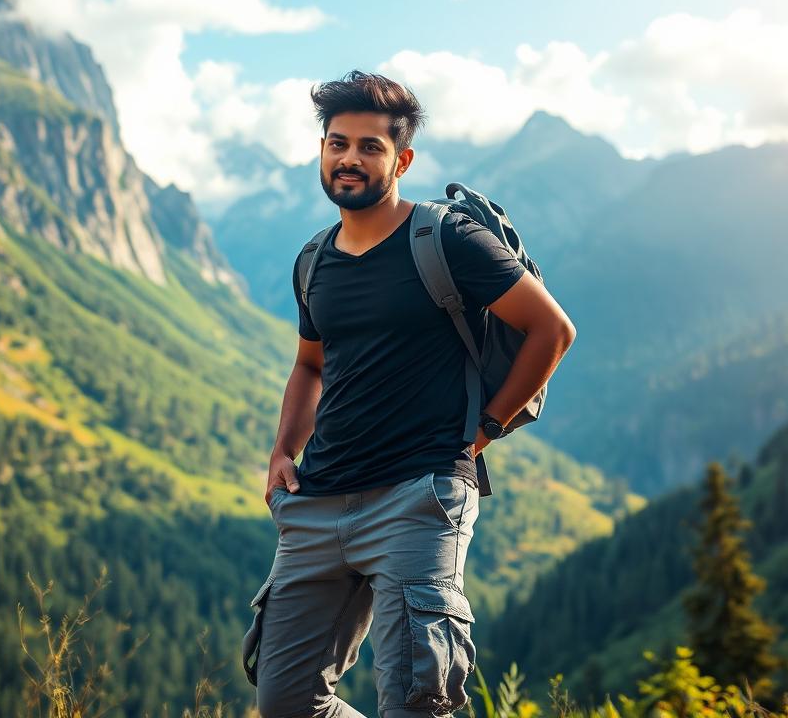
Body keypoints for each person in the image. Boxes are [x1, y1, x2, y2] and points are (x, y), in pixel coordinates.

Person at [242, 70, 576, 717]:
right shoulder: (314, 261)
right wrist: (284, 451)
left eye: (370, 146)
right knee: (286, 702)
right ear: (321, 151)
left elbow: (551, 329)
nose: (349, 158)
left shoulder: (447, 238)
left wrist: (489, 426)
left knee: (416, 698)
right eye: (338, 143)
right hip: (319, 497)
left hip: (418, 498)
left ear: (403, 159)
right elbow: (310, 366)